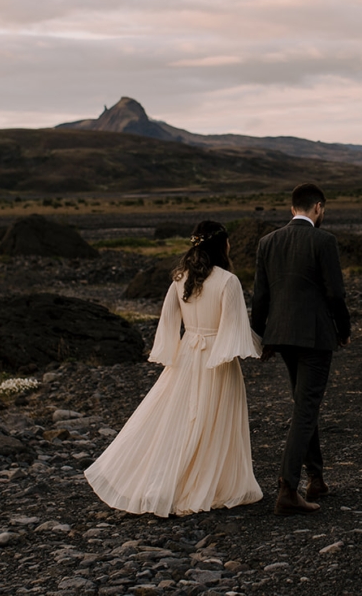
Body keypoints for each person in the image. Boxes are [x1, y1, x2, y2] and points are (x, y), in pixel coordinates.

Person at [84, 221, 264, 517]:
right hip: (217, 361)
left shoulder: (180, 278)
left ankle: (170, 478)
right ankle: (209, 481)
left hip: (187, 356)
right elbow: (235, 329)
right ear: (221, 245)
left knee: (179, 417)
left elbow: (167, 321)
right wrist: (255, 347)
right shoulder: (228, 281)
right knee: (214, 420)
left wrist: (172, 352)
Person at [251, 183, 351, 515]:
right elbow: (336, 294)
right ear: (318, 208)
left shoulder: (267, 242)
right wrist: (344, 330)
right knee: (306, 408)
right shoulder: (324, 241)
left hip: (281, 335)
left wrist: (261, 337)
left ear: (292, 208)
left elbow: (261, 298)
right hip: (316, 335)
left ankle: (316, 479)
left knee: (303, 403)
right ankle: (288, 488)